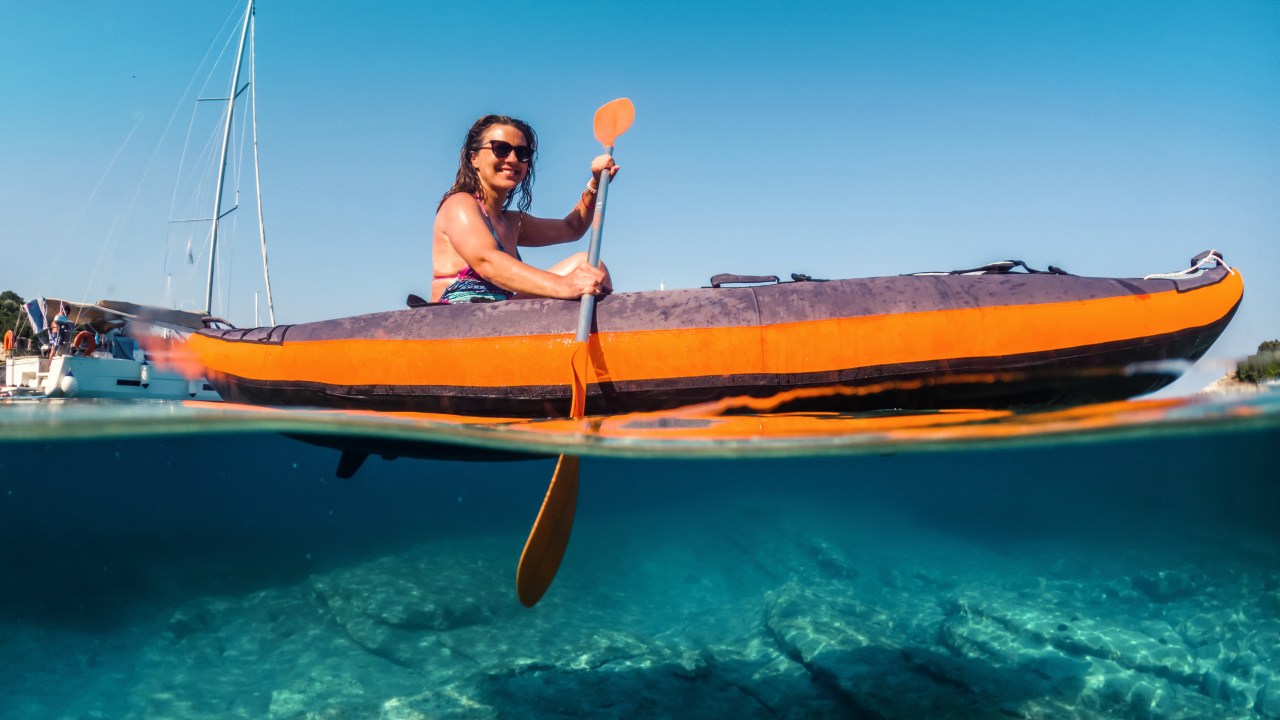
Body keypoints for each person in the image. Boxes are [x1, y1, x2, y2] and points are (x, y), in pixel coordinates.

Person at [430, 114, 617, 304]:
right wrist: (562, 285)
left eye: (522, 153)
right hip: (456, 321)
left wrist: (594, 185)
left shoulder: (513, 222)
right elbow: (488, 262)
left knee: (591, 265)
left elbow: (573, 228)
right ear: (474, 157)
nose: (512, 159)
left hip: (503, 316)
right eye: (501, 149)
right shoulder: (459, 203)